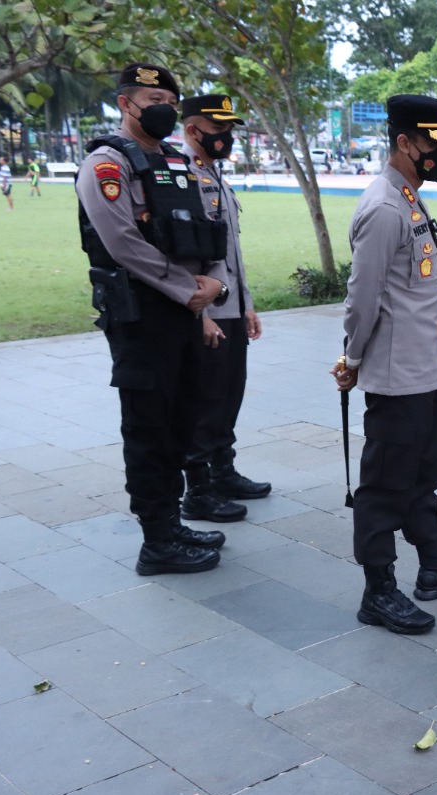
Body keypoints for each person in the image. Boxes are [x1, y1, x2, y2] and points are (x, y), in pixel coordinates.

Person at [330, 94, 437, 635]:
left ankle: (434, 566)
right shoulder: (383, 207)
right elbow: (363, 297)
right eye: (434, 145)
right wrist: (351, 358)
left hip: (426, 371)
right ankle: (378, 590)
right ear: (404, 142)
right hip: (397, 378)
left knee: (425, 474)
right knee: (383, 486)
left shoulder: (408, 197)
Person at [75, 62, 230, 576]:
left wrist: (213, 281)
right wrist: (188, 289)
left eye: (169, 96)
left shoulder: (174, 160)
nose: (163, 105)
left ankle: (173, 523)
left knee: (184, 417)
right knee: (149, 426)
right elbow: (121, 243)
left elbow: (208, 225)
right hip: (142, 317)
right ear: (125, 103)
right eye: (152, 97)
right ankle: (156, 540)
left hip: (185, 310)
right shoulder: (106, 164)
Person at [177, 93, 271, 525]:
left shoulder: (215, 174)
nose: (227, 137)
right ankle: (198, 489)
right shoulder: (179, 175)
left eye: (229, 129)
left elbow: (231, 251)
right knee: (206, 398)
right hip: (207, 307)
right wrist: (203, 316)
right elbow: (187, 258)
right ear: (193, 130)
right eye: (218, 130)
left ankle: (224, 471)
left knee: (230, 391)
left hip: (230, 304)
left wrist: (246, 305)